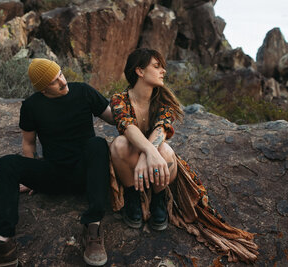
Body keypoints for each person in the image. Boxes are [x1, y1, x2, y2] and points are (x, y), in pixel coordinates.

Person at [0, 58, 114, 267]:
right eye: (55, 82)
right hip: (53, 174)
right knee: (8, 164)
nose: (63, 82)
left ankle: (93, 228)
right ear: (43, 89)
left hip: (85, 174)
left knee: (98, 144)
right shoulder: (31, 106)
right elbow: (28, 144)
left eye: (61, 75)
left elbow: (112, 117)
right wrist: (29, 178)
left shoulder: (83, 91)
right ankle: (3, 245)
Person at [109, 48, 259, 263]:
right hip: (131, 164)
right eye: (157, 66)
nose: (163, 71)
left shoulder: (164, 101)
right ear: (140, 71)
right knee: (119, 144)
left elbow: (161, 130)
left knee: (166, 150)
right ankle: (133, 197)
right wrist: (146, 153)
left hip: (156, 164)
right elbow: (127, 126)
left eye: (162, 66)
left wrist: (148, 155)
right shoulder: (119, 99)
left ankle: (158, 200)